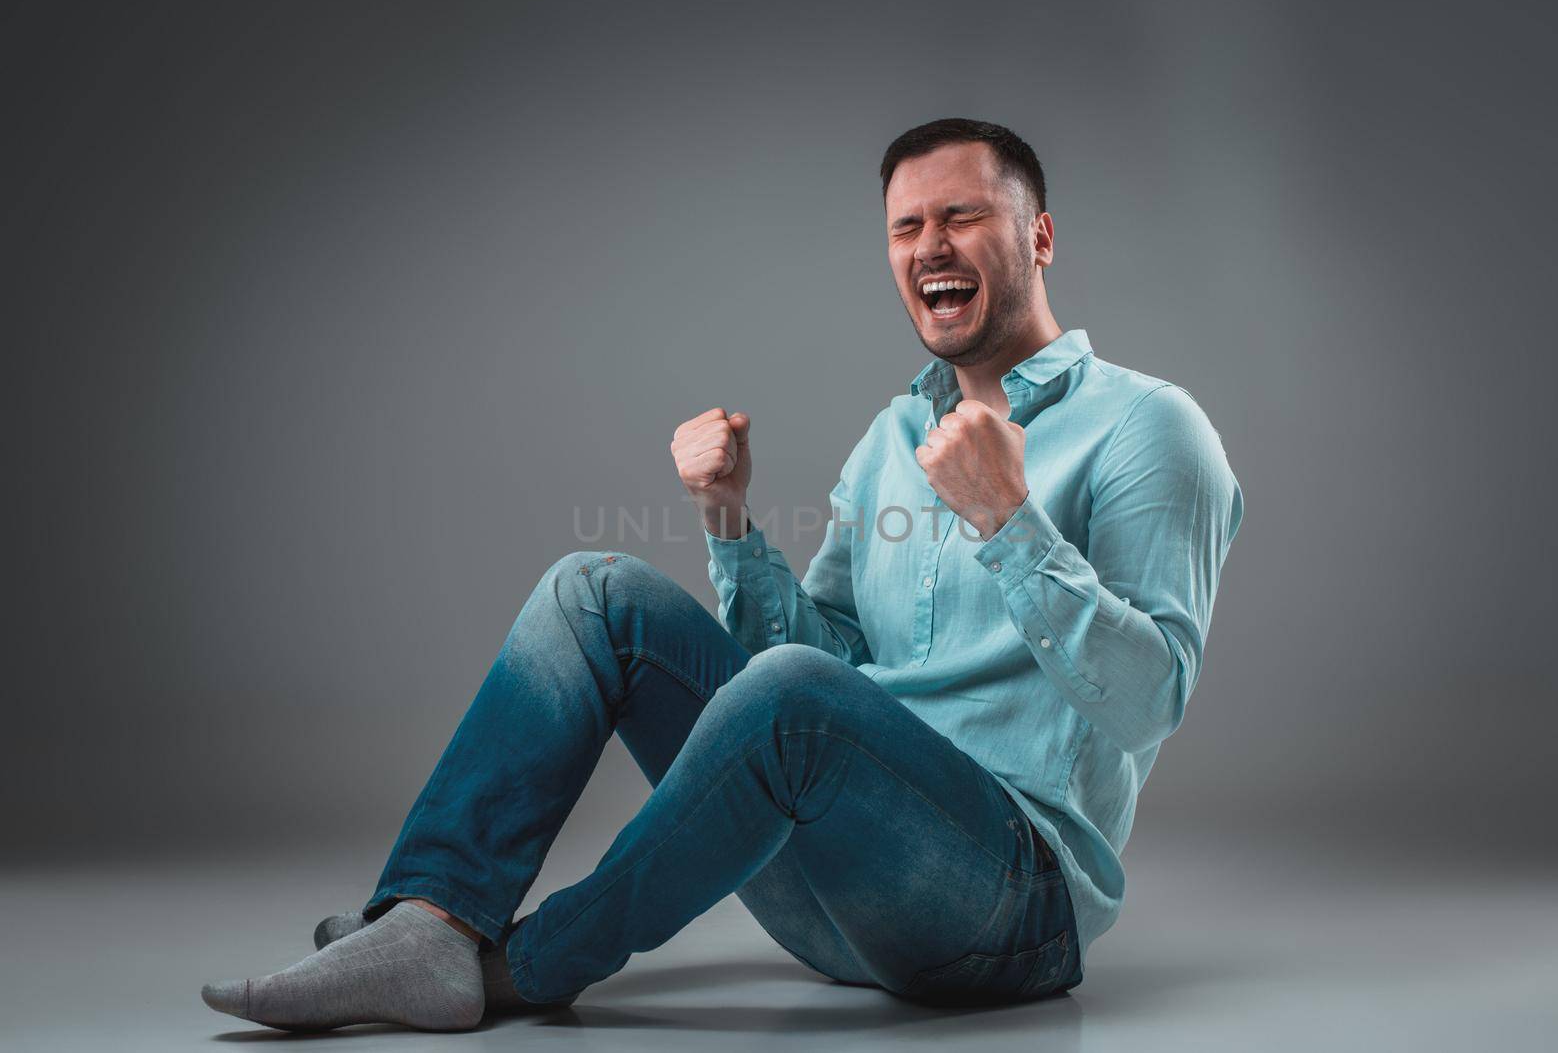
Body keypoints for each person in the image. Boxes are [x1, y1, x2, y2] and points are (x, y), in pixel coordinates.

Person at [200, 117, 1244, 1032]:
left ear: (1038, 237)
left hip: (1006, 912)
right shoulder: (892, 436)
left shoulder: (1150, 427)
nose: (931, 245)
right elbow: (820, 661)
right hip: (838, 900)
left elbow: (1151, 700)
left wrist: (1009, 519)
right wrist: (729, 518)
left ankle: (514, 964)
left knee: (793, 697)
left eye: (961, 216)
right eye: (905, 226)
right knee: (593, 589)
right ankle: (428, 918)